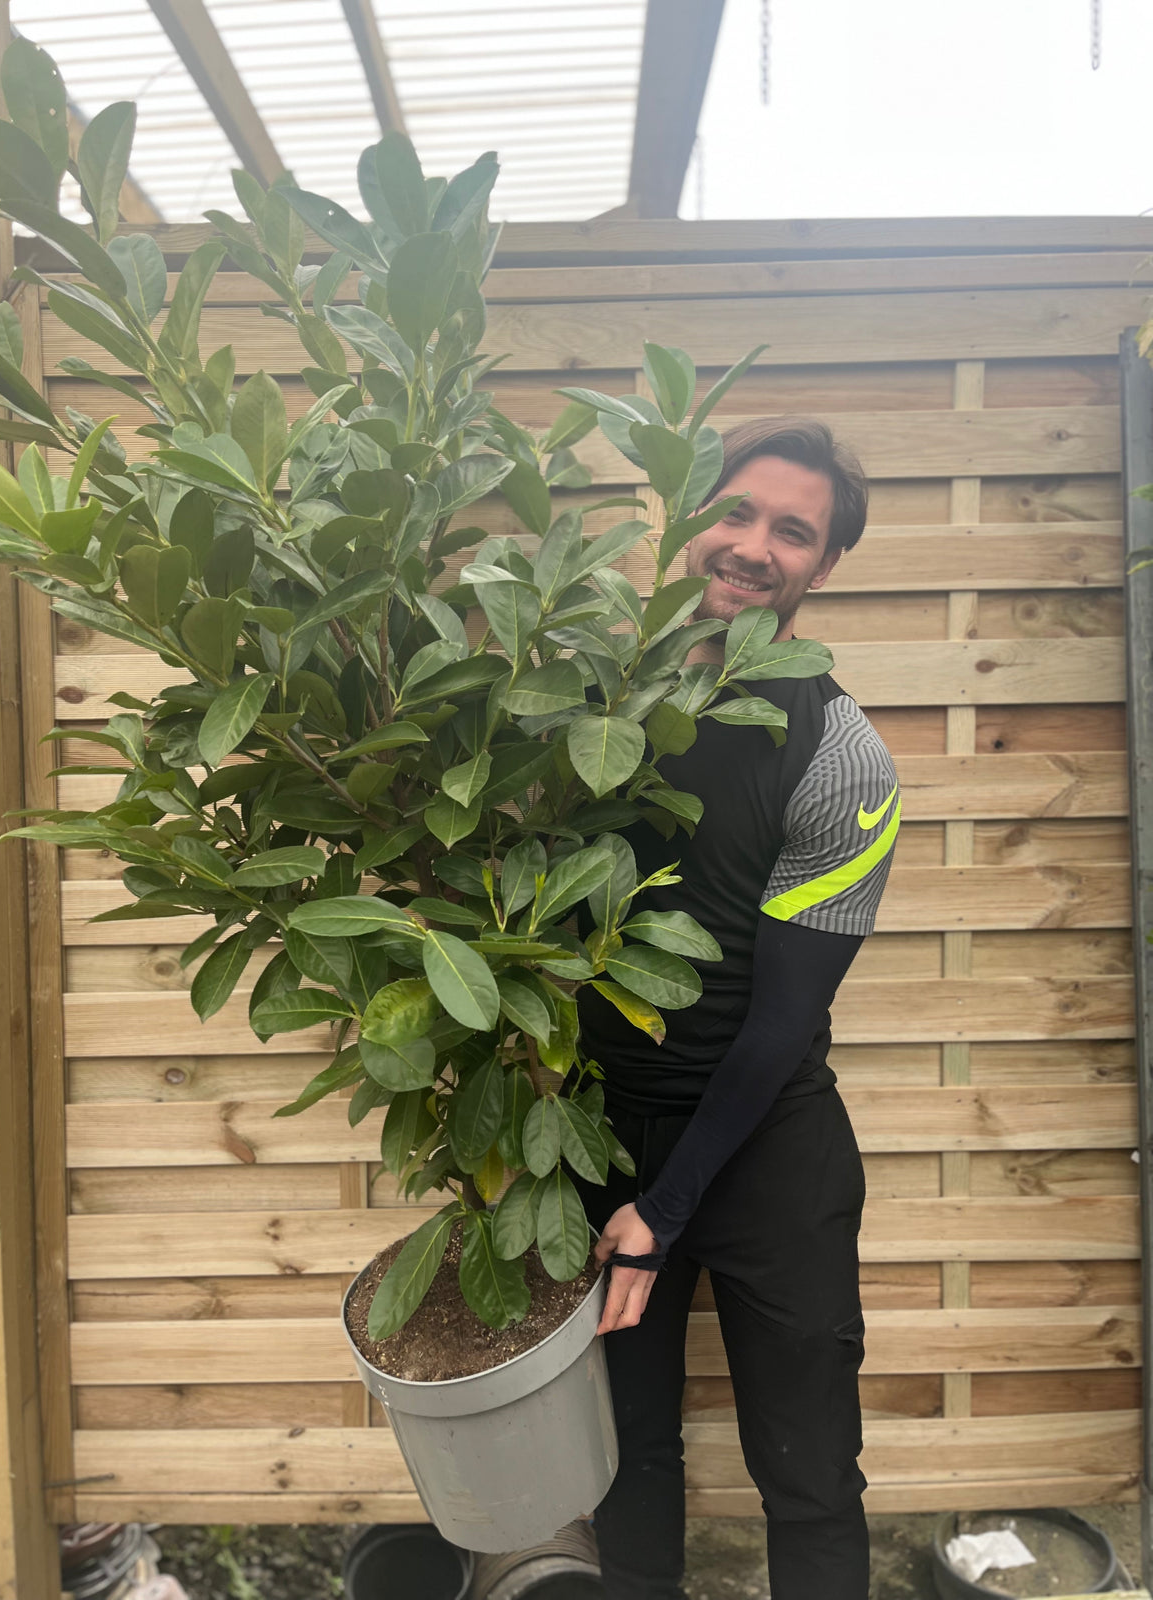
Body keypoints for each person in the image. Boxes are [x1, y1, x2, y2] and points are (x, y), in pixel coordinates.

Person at [574, 417, 899, 1600]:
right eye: (740, 512)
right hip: (602, 1142)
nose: (755, 545)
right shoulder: (586, 709)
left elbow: (774, 1026)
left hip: (768, 1150)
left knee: (810, 1478)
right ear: (691, 515)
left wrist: (665, 1209)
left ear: (823, 564)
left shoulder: (844, 761)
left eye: (794, 531)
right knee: (624, 1463)